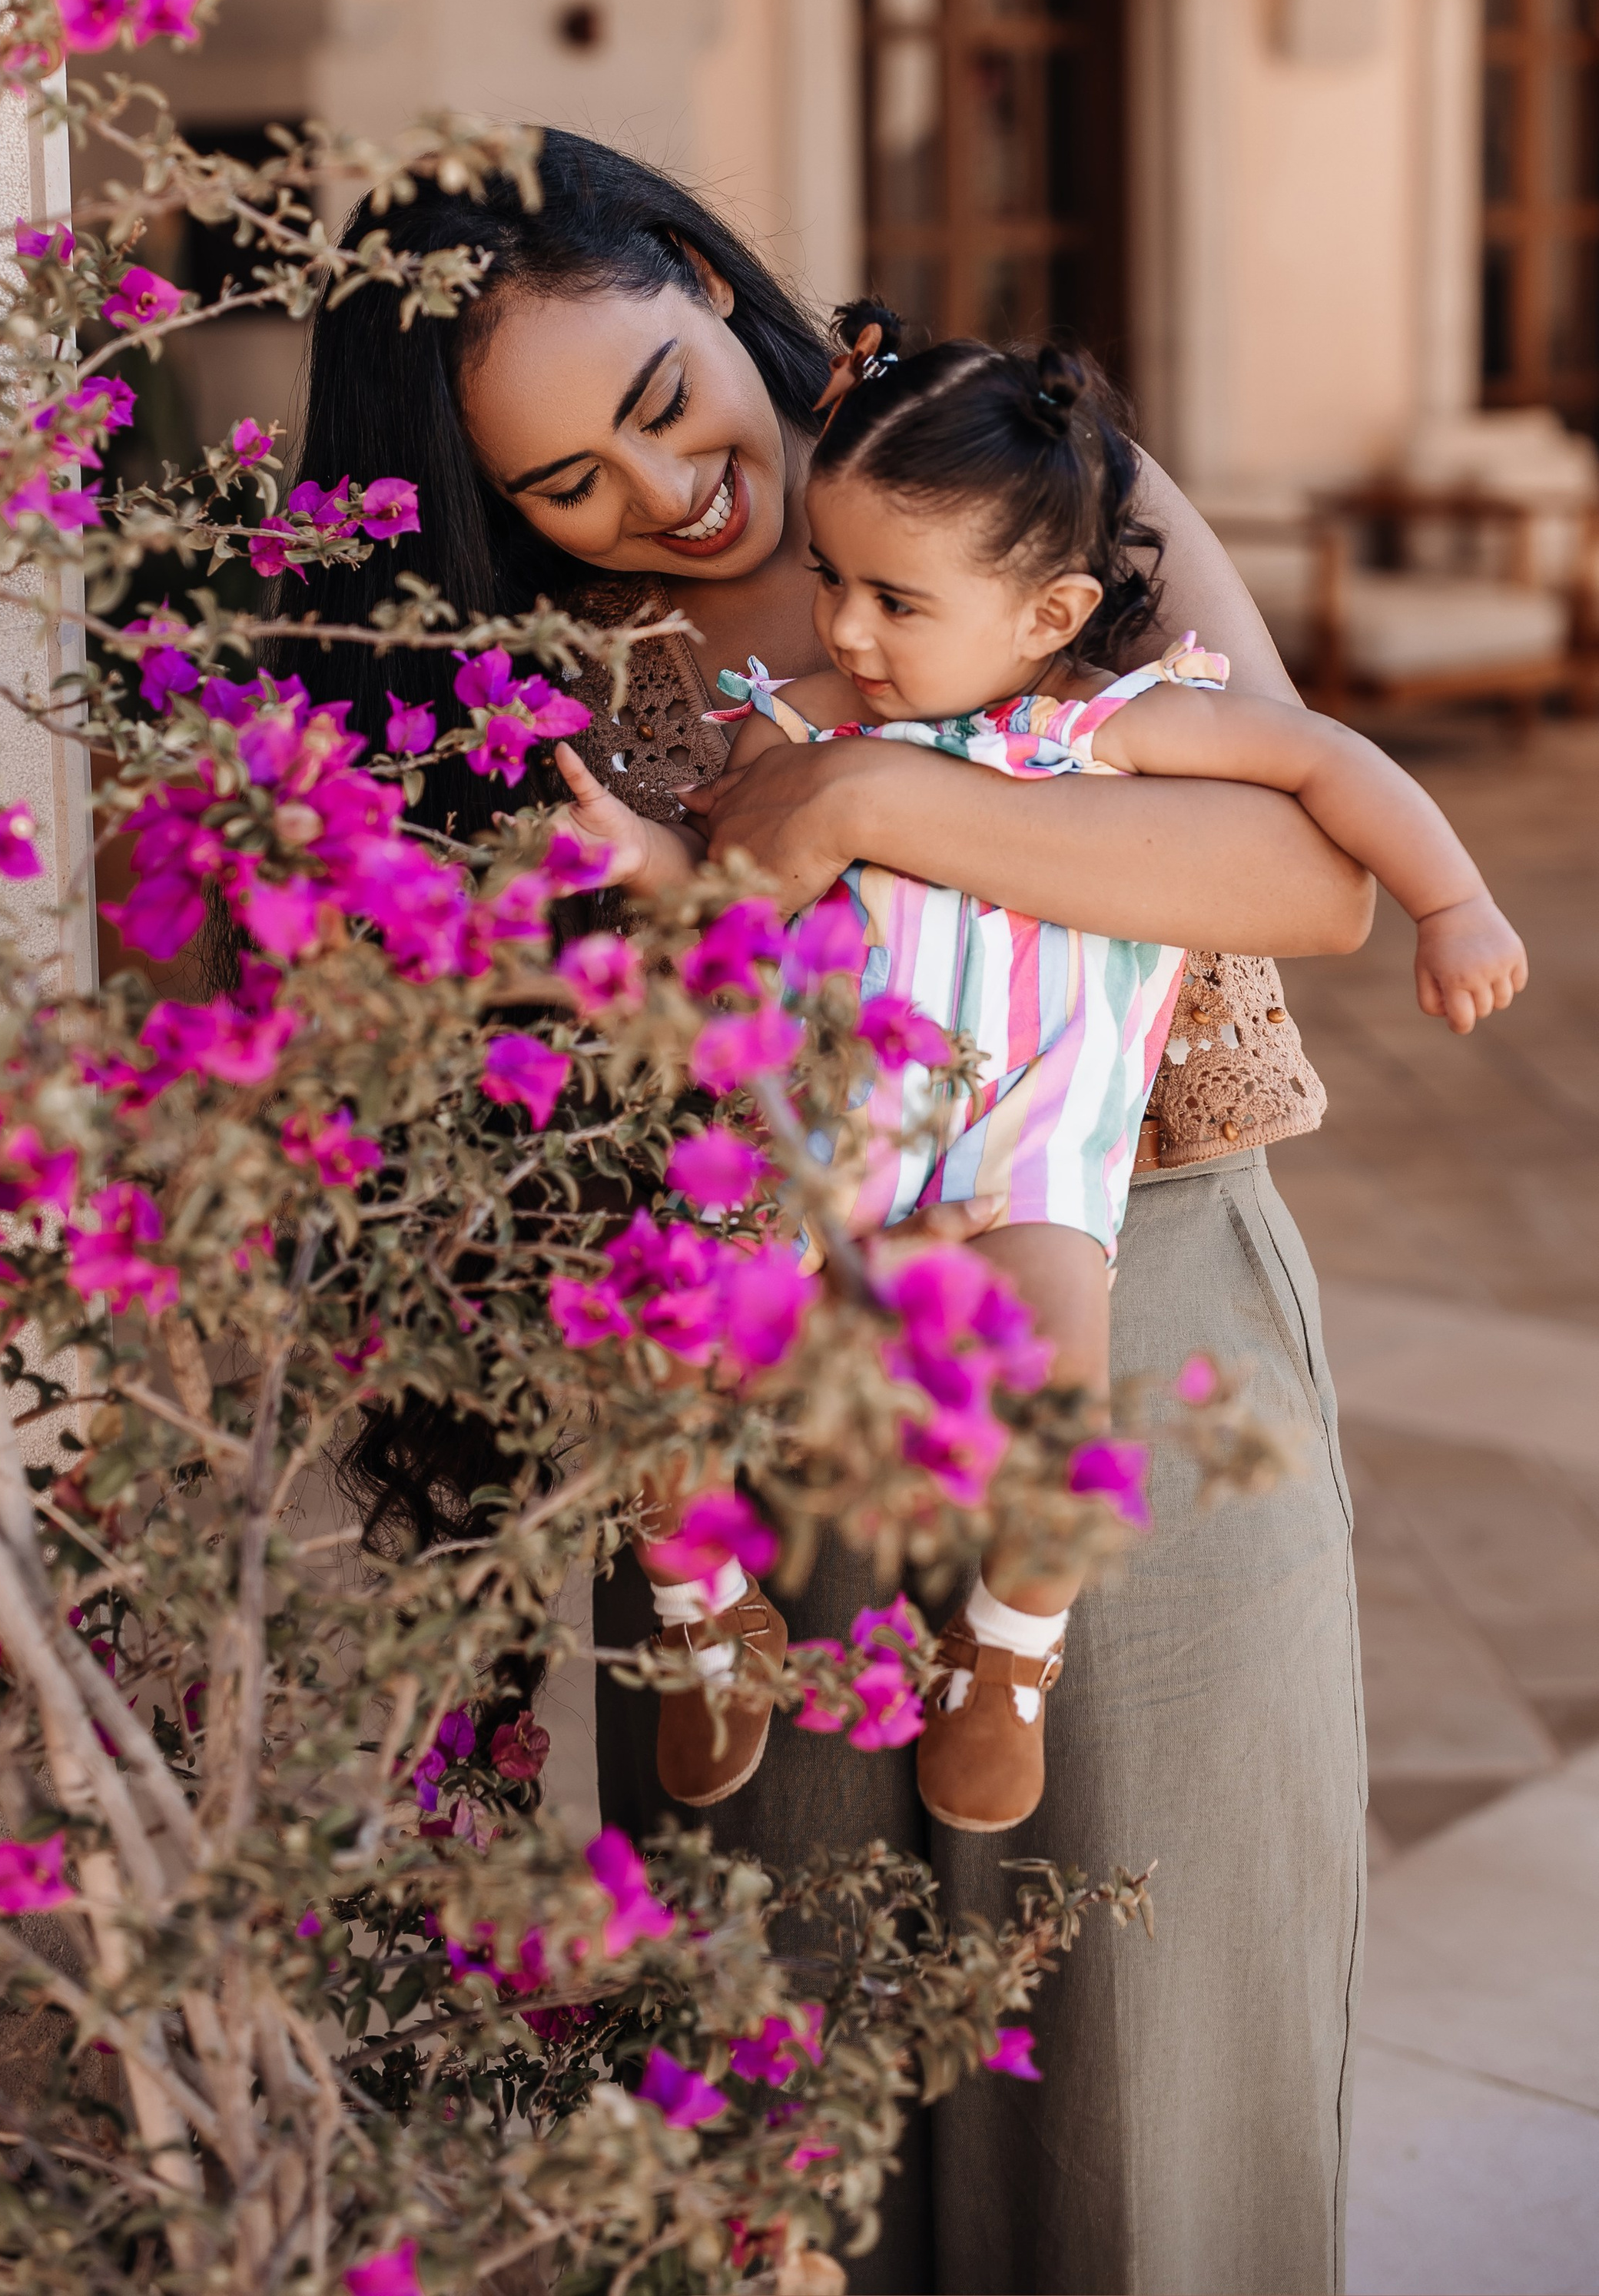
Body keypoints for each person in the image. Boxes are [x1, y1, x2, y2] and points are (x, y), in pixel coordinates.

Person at [301, 131, 1373, 2296]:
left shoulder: (1020, 489)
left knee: (1161, 2045)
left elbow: (1301, 868)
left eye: (664, 399)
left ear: (711, 275)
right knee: (802, 2083)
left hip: (1131, 1303)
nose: (663, 496)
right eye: (564, 485)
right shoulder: (542, 689)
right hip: (760, 1368)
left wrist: (883, 789)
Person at [553, 326, 1523, 1843]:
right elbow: (718, 893)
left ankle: (1004, 1658)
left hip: (1028, 1159)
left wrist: (1450, 899)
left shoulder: (1111, 727)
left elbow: (1328, 766)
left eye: (894, 598)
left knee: (1064, 1406)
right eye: (830, 579)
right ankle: (705, 1623)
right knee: (654, 1355)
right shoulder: (800, 719)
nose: (848, 626)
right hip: (817, 1143)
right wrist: (647, 863)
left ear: (1048, 607)